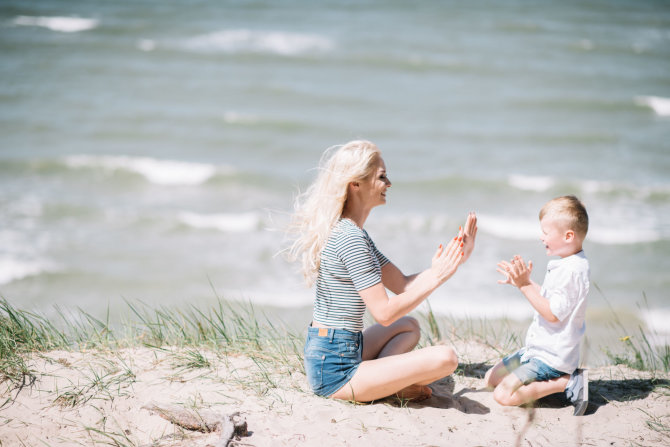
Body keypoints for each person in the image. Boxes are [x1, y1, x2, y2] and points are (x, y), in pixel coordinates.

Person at [287, 140, 478, 403]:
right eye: (381, 177)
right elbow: (384, 313)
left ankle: (386, 381)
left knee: (409, 326)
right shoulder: (349, 238)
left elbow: (402, 284)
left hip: (338, 349)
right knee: (447, 358)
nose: (389, 183)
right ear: (355, 184)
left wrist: (456, 260)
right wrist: (436, 276)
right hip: (335, 371)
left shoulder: (354, 233)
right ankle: (385, 383)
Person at [484, 195, 590, 416]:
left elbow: (552, 314)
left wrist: (524, 287)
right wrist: (525, 282)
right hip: (536, 349)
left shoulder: (572, 271)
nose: (541, 237)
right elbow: (554, 302)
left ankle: (567, 381)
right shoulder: (567, 264)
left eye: (546, 232)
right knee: (491, 378)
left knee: (503, 395)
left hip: (550, 358)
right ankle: (554, 383)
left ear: (568, 235)